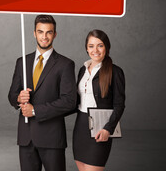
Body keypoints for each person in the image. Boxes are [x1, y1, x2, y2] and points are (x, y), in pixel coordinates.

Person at [8, 14, 77, 171]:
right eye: (40, 32)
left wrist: (34, 110)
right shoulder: (22, 62)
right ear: (34, 33)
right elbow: (11, 95)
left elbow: (69, 101)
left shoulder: (65, 64)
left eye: (49, 32)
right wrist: (18, 98)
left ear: (55, 34)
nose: (44, 37)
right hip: (26, 138)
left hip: (52, 138)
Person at [72, 30, 125, 171]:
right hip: (81, 126)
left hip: (101, 127)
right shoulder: (82, 70)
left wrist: (108, 129)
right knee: (81, 167)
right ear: (86, 48)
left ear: (106, 47)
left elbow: (119, 104)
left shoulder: (115, 72)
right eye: (91, 46)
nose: (95, 50)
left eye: (100, 45)